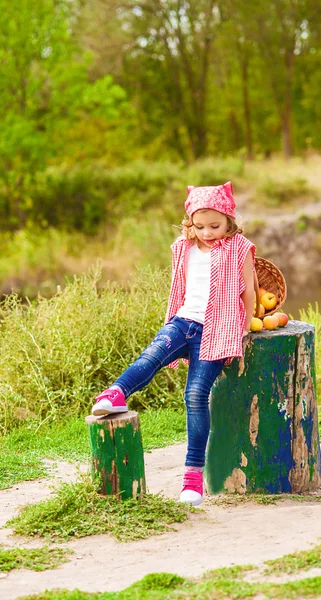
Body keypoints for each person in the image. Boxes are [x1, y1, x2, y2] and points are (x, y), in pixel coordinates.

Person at [91, 182, 256, 506]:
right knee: (151, 356)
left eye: (215, 225)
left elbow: (249, 291)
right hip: (183, 322)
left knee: (195, 395)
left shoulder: (240, 247)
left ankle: (192, 479)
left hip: (217, 329)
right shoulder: (182, 247)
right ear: (189, 222)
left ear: (229, 220)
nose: (207, 232)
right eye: (199, 225)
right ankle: (116, 393)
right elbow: (178, 288)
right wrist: (174, 319)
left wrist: (244, 329)